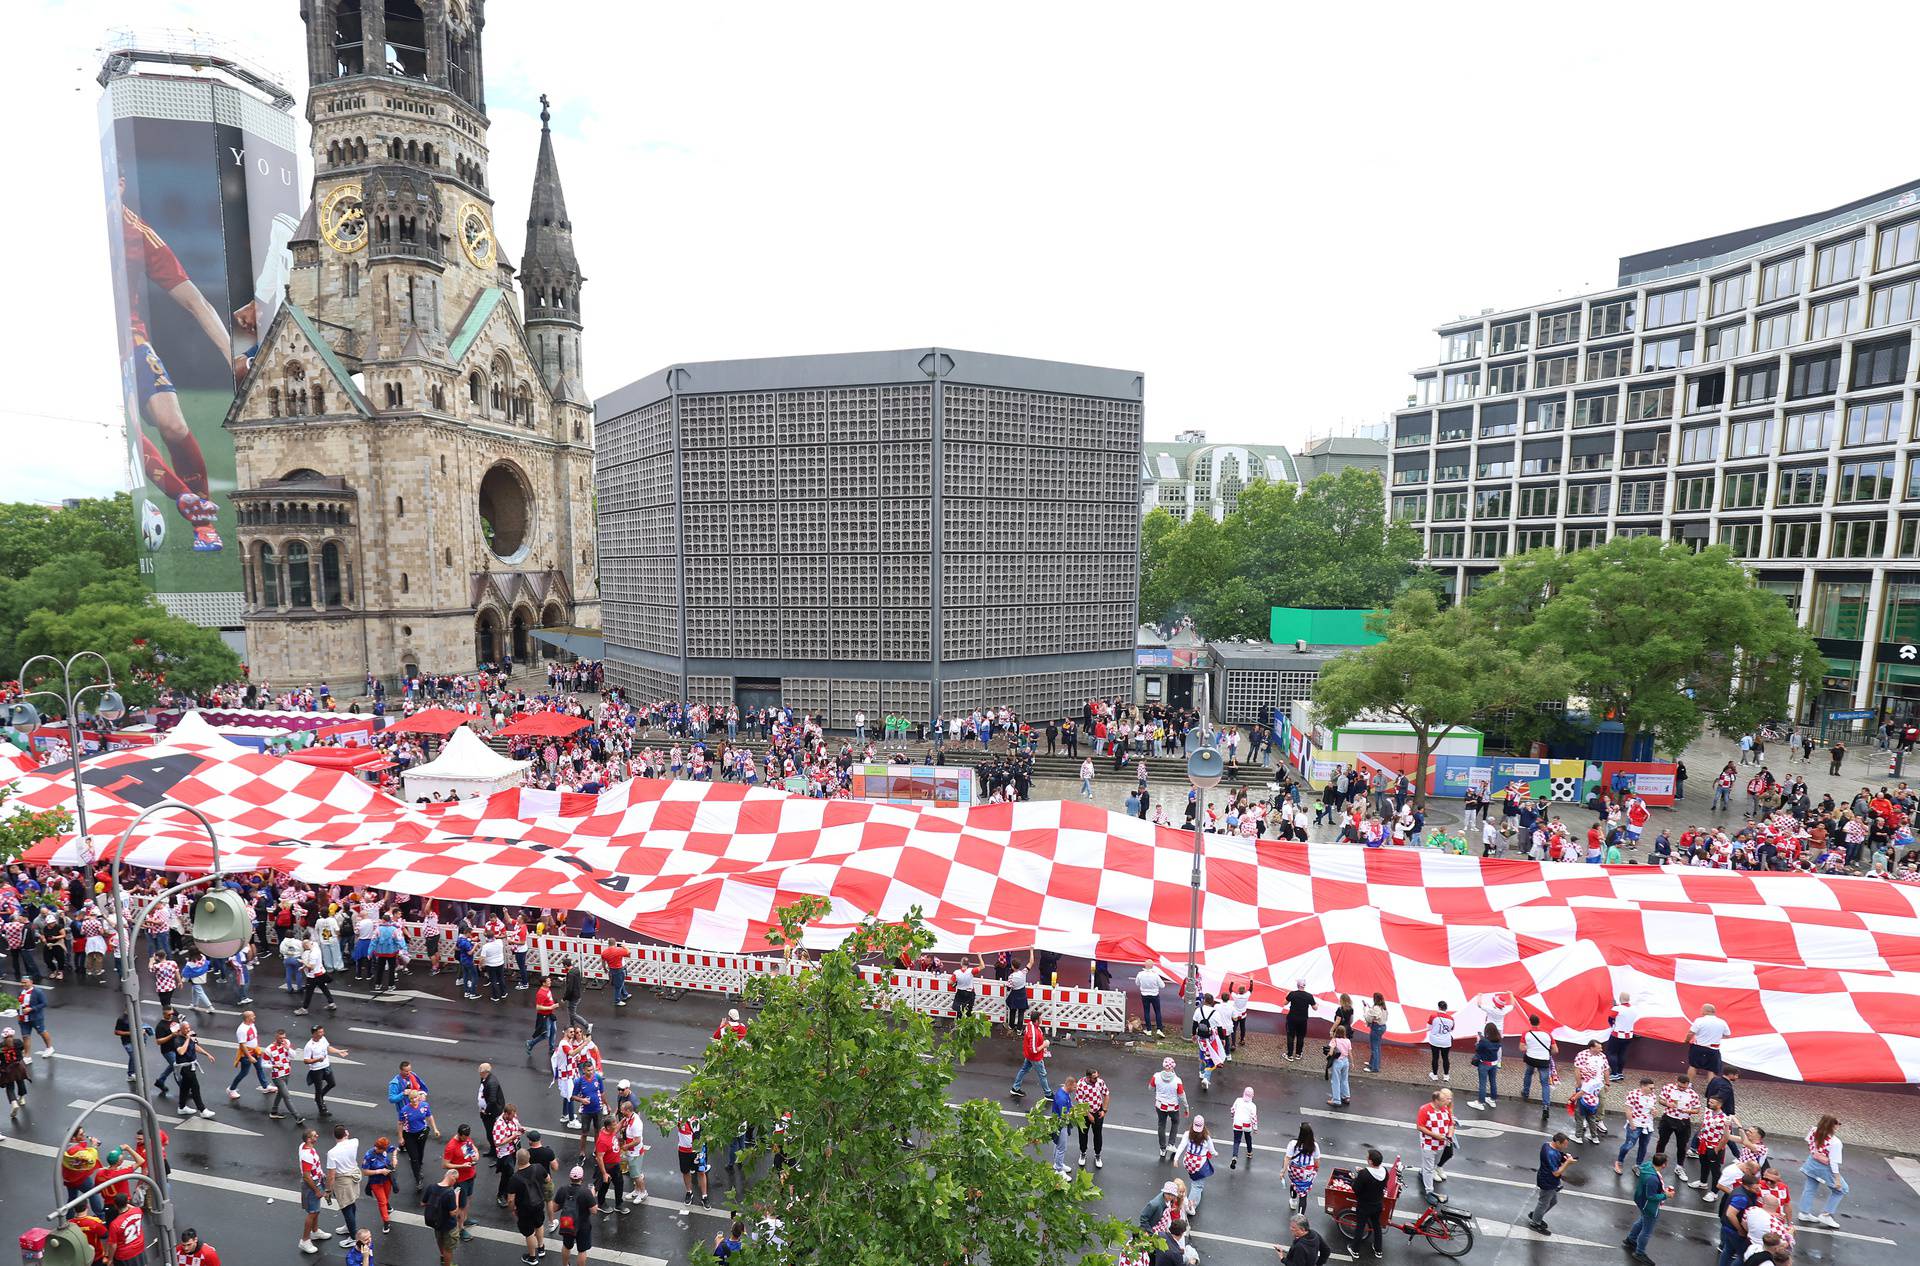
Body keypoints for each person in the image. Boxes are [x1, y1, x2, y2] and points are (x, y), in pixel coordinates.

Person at [1799, 1115, 1847, 1227]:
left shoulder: (1814, 1130)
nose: (1839, 1126)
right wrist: (1837, 1179)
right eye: (1838, 1124)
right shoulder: (1835, 1142)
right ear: (1833, 1126)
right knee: (1841, 1190)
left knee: (1810, 1187)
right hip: (1825, 1167)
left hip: (1812, 1161)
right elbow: (1834, 1163)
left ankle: (1804, 1212)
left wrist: (1816, 1153)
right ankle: (1826, 1214)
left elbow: (1808, 1142)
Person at [1624, 1150, 1671, 1265]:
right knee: (1647, 1231)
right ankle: (1639, 1252)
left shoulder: (1648, 1167)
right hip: (1649, 1206)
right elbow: (1651, 1196)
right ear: (1663, 1165)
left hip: (1641, 1202)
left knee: (1641, 1221)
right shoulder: (1653, 1179)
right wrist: (1666, 1195)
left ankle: (1631, 1239)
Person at [1525, 1131, 1575, 1234]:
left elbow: (1558, 1154)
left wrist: (1564, 1156)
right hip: (1548, 1181)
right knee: (1544, 1203)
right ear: (1557, 1142)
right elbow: (1556, 1173)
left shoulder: (1547, 1145)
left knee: (1552, 1201)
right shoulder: (1551, 1154)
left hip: (1549, 1180)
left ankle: (1536, 1215)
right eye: (1564, 1144)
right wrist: (1567, 1163)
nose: (1565, 1147)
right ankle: (1535, 1222)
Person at [326, 1124, 364, 1247]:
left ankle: (354, 1237)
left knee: (346, 1207)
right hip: (353, 1177)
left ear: (334, 1136)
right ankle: (349, 1227)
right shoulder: (354, 1142)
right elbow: (350, 1137)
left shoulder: (332, 1153)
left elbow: (331, 1175)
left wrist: (328, 1190)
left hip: (342, 1181)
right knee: (351, 1203)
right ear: (346, 1134)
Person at [508, 1146, 547, 1265]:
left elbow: (510, 1200)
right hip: (539, 1203)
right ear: (529, 1157)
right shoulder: (539, 1168)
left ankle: (532, 1258)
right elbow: (548, 1179)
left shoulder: (514, 1178)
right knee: (539, 1225)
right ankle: (541, 1248)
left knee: (529, 1233)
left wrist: (513, 1209)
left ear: (517, 1160)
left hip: (525, 1209)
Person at [1414, 1088, 1454, 1205]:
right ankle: (1429, 1191)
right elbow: (1420, 1126)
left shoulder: (1445, 1109)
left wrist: (1450, 1135)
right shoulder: (1424, 1110)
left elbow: (1451, 1124)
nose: (1446, 1103)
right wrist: (1435, 1135)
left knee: (1432, 1165)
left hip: (1441, 1144)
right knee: (1429, 1168)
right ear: (1436, 1101)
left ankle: (1423, 1173)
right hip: (1428, 1144)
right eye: (1444, 1101)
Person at [552, 1163, 597, 1266]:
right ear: (582, 1178)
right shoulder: (586, 1192)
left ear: (570, 1177)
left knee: (567, 1246)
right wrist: (592, 1196)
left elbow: (554, 1208)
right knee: (582, 1251)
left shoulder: (562, 1189)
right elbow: (594, 1211)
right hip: (583, 1225)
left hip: (568, 1222)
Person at [442, 1125, 480, 1243]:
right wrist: (461, 1166)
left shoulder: (467, 1140)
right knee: (461, 1205)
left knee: (468, 1199)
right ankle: (460, 1228)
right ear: (459, 1134)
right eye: (465, 1136)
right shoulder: (451, 1146)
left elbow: (474, 1150)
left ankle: (464, 1219)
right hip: (460, 1179)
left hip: (470, 1175)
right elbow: (445, 1164)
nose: (467, 1138)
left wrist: (475, 1157)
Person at [1350, 1147, 1389, 1260]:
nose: (1366, 1159)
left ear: (1371, 1161)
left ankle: (1355, 1250)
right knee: (1377, 1226)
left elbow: (1356, 1189)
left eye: (1367, 1158)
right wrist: (1362, 1171)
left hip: (1364, 1205)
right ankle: (1378, 1250)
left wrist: (1355, 1178)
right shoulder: (1385, 1171)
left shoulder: (1364, 1174)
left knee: (1360, 1226)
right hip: (1377, 1204)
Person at [296, 1128, 330, 1255]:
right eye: (315, 1135)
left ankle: (315, 1232)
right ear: (309, 1139)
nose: (318, 1136)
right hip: (312, 1185)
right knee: (312, 1212)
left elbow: (313, 1169)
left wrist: (321, 1174)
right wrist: (316, 1190)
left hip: (317, 1181)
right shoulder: (307, 1155)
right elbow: (306, 1175)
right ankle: (305, 1240)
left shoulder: (305, 1147)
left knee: (316, 1210)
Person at [1176, 1115, 1218, 1218]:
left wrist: (1176, 1159)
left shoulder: (1187, 1134)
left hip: (1188, 1162)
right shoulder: (1206, 1137)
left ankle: (1197, 1192)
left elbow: (1181, 1146)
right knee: (1197, 1185)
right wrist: (1215, 1153)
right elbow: (1212, 1150)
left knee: (1196, 1180)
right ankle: (1190, 1206)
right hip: (1199, 1163)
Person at [303, 1025, 348, 1117]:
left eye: (322, 1032)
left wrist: (338, 1052)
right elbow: (306, 1061)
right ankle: (322, 1109)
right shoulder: (309, 1046)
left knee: (332, 1083)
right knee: (318, 1089)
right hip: (316, 1070)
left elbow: (328, 1048)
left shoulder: (323, 1039)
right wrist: (317, 1060)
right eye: (320, 1032)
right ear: (314, 1034)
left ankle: (318, 1098)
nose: (322, 1034)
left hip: (326, 1066)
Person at [422, 1168, 464, 1266]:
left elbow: (422, 1203)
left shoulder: (431, 1187)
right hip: (448, 1226)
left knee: (440, 1241)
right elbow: (453, 1213)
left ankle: (442, 1257)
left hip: (436, 1223)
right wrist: (456, 1195)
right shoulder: (450, 1193)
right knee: (448, 1249)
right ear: (452, 1178)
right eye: (455, 1179)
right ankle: (447, 1264)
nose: (455, 1182)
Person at [1615, 1076, 1657, 1174]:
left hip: (1647, 1125)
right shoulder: (1633, 1094)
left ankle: (1638, 1165)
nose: (1653, 1090)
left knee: (1643, 1146)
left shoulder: (1652, 1096)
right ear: (1643, 1086)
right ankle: (1619, 1162)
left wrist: (1654, 1111)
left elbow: (1652, 1107)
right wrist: (1632, 1123)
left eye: (1653, 1088)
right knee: (1628, 1145)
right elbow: (1628, 1110)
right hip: (1636, 1123)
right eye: (1651, 1088)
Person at [1150, 1056, 1188, 1161]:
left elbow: (1150, 1088)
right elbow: (1181, 1095)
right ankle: (1171, 1144)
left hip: (1160, 1105)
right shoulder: (1177, 1080)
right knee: (1175, 1122)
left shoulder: (1156, 1076)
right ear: (1173, 1067)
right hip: (1173, 1107)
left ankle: (1162, 1148)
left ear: (1163, 1065)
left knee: (1161, 1125)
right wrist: (1186, 1107)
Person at [1009, 1007, 1051, 1099]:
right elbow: (1034, 1050)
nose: (1042, 1019)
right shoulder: (1034, 1033)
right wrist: (1044, 1045)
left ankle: (1015, 1088)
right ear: (1036, 1020)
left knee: (1024, 1070)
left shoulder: (1030, 1025)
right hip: (1035, 1057)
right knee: (1042, 1074)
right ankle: (1048, 1094)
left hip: (1029, 1055)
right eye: (1040, 1018)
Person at [228, 1009, 269, 1100]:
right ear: (247, 1018)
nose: (255, 1017)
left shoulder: (251, 1025)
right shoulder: (242, 1030)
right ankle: (231, 1089)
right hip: (247, 1055)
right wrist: (249, 1056)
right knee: (244, 1072)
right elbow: (242, 1045)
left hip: (255, 1051)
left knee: (259, 1068)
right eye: (253, 1016)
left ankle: (265, 1086)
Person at [1073, 1066, 1109, 1169]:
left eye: (1097, 1076)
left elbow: (1106, 1094)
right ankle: (1083, 1153)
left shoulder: (1100, 1082)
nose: (1097, 1079)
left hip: (1097, 1111)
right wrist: (1089, 1115)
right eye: (1095, 1078)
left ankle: (1097, 1155)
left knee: (1098, 1134)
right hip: (1084, 1112)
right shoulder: (1080, 1085)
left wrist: (1104, 1110)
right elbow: (1079, 1102)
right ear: (1088, 1077)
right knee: (1083, 1133)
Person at [361, 1135, 398, 1235]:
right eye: (376, 1147)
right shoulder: (369, 1155)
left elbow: (395, 1149)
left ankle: (388, 1205)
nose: (377, 1149)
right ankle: (386, 1222)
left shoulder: (386, 1148)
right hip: (375, 1181)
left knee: (386, 1197)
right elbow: (365, 1172)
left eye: (380, 1148)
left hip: (386, 1179)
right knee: (382, 1201)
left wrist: (394, 1158)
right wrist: (380, 1171)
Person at [1282, 1122, 1319, 1216]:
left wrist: (1283, 1170)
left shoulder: (1293, 1143)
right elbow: (1317, 1161)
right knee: (1303, 1193)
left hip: (1294, 1170)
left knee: (1294, 1183)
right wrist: (1315, 1171)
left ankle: (1293, 1201)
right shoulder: (1314, 1145)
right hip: (1307, 1171)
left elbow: (1288, 1157)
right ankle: (1300, 1215)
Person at [1521, 1014, 1555, 1114]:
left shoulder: (1526, 1034)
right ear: (1539, 1022)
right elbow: (1555, 1050)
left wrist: (1530, 1048)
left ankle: (1526, 1093)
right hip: (1544, 1060)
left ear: (1530, 1022)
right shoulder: (1548, 1034)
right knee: (1545, 1083)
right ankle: (1545, 1105)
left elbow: (1522, 1048)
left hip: (1530, 1059)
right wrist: (1547, 1053)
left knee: (1528, 1073)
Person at [1686, 1004, 1731, 1075]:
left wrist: (1687, 1040)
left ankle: (1688, 1084)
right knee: (1712, 1069)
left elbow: (1690, 1033)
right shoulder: (1722, 1022)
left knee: (1693, 1066)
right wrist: (1717, 1036)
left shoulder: (1699, 1020)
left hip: (1699, 1047)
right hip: (1714, 1048)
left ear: (1705, 1011)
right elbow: (1728, 1035)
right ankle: (1711, 1086)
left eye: (1701, 1009)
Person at [1469, 1021, 1501, 1109]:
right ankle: (1492, 1099)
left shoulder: (1483, 1041)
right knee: (1493, 1082)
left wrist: (1478, 1042)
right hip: (1494, 1064)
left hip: (1484, 1064)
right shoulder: (1498, 1040)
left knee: (1482, 1084)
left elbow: (1478, 1050)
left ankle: (1480, 1102)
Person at [1283, 979, 1314, 1060]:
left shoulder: (1292, 994)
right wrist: (1316, 1004)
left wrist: (1287, 995)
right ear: (1304, 985)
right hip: (1303, 1019)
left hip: (1292, 1018)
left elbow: (1284, 1003)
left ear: (1297, 985)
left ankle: (1289, 1055)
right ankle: (1298, 1054)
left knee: (1290, 1036)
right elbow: (1315, 1008)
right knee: (1300, 1037)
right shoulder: (1309, 996)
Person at [1228, 1086, 1258, 1169]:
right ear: (1252, 1095)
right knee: (1248, 1137)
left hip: (1237, 1123)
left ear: (1243, 1093)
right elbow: (1253, 1118)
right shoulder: (1253, 1105)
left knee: (1236, 1141)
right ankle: (1249, 1152)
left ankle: (1234, 1157)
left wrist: (1232, 1117)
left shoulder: (1238, 1100)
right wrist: (1255, 1128)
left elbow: (1232, 1110)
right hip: (1247, 1125)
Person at [1326, 1023, 1353, 1106]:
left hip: (1337, 1062)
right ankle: (1346, 1096)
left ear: (1336, 1032)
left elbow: (1330, 1052)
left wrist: (1328, 1056)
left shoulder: (1334, 1040)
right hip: (1345, 1061)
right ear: (1344, 1033)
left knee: (1336, 1081)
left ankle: (1336, 1100)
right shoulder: (1348, 1041)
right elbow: (1350, 1053)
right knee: (1344, 1079)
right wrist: (1352, 1062)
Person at [1137, 962, 1166, 1037]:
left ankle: (1149, 1030)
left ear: (1145, 965)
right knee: (1157, 1012)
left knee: (1146, 1012)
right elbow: (1162, 985)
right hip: (1154, 995)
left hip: (1144, 995)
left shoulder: (1140, 974)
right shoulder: (1155, 975)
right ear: (1152, 966)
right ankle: (1159, 1029)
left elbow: (1137, 983)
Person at [1362, 992, 1388, 1073]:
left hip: (1376, 1027)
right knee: (1377, 1046)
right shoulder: (1383, 1007)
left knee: (1374, 1048)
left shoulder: (1376, 1008)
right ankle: (1373, 1063)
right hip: (1382, 1027)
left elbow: (1369, 1018)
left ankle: (1374, 1068)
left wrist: (1366, 1010)